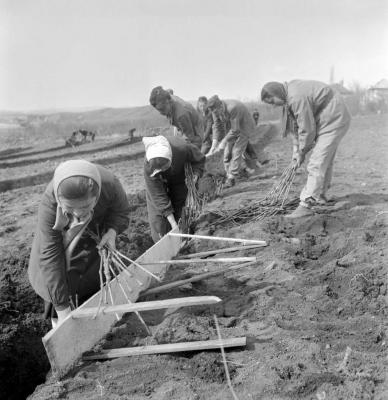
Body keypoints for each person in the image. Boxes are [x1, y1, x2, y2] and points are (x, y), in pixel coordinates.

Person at [28, 159, 130, 327]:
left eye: (85, 206)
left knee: (92, 282)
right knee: (61, 290)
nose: (78, 214)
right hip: (60, 251)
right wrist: (63, 312)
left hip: (93, 244)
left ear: (96, 196)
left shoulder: (109, 184)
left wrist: (112, 231)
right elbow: (50, 255)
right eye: (70, 208)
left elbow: (121, 211)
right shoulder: (50, 203)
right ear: (59, 200)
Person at [261, 80, 351, 218]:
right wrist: (296, 150)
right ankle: (320, 195)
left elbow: (306, 129)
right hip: (328, 115)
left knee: (317, 161)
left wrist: (302, 152)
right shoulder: (288, 93)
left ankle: (306, 204)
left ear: (276, 93)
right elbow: (294, 125)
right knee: (324, 159)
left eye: (272, 101)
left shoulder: (295, 97)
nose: (273, 106)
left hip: (333, 117)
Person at [143, 135, 205, 242]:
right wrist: (172, 223)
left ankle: (186, 240)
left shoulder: (182, 148)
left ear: (170, 157)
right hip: (158, 183)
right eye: (159, 169)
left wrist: (196, 173)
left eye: (165, 167)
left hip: (180, 179)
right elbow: (158, 196)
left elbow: (199, 159)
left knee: (182, 214)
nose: (162, 170)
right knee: (159, 225)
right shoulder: (149, 167)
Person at [206, 96, 257, 187]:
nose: (215, 114)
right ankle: (231, 172)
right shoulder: (214, 111)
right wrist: (213, 146)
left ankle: (231, 177)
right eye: (213, 112)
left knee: (237, 150)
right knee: (227, 153)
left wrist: (223, 141)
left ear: (221, 106)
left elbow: (235, 130)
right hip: (232, 128)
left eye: (216, 111)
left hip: (244, 126)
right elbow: (216, 126)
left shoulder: (233, 108)